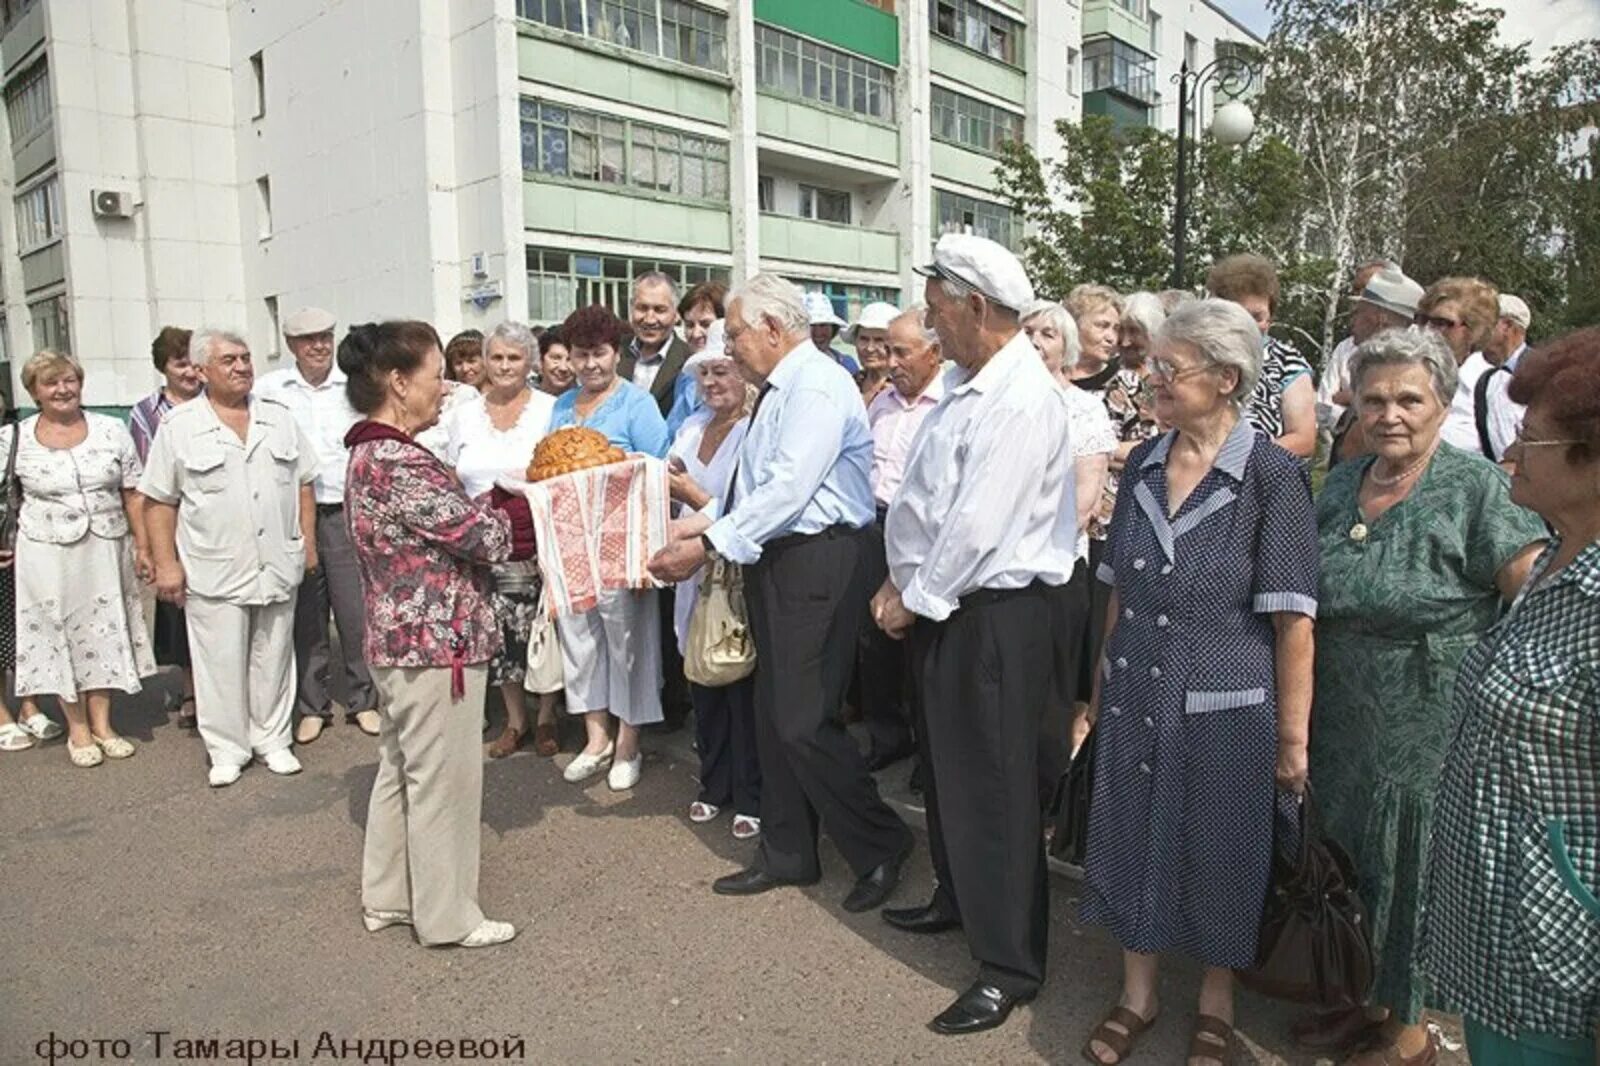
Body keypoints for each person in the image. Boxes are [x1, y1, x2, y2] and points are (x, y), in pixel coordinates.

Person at [1078, 300, 1318, 1066]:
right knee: (1127, 836)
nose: (1153, 381)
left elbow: (1294, 622)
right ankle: (1138, 993)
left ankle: (1217, 997)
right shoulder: (1145, 461)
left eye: (1168, 370)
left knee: (1223, 850)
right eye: (1153, 366)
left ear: (1225, 378)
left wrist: (1291, 741)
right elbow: (1116, 589)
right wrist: (1095, 691)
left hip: (1227, 706)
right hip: (1135, 689)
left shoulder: (1272, 476)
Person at [1300, 327, 1545, 1064]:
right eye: (1374, 399)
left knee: (1408, 865)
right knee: (1347, 858)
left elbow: (1530, 595)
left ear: (1443, 402)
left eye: (1410, 398)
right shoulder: (1344, 480)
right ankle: (1361, 999)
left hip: (1428, 711)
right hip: (1340, 709)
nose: (1390, 414)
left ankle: (1409, 1032)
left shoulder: (1476, 488)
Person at [648, 273, 913, 916]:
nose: (729, 346)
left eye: (735, 333)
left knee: (803, 718)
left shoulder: (817, 384)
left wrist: (706, 546)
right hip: (779, 557)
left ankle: (881, 841)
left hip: (820, 560)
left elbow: (791, 488)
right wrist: (701, 525)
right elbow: (756, 489)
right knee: (774, 713)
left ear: (772, 328)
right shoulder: (779, 388)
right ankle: (788, 850)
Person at [870, 238, 1073, 1036]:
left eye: (936, 308)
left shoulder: (1021, 398)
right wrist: (906, 584)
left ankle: (1010, 966)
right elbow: (929, 505)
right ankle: (960, 901)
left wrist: (912, 597)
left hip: (989, 613)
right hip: (944, 605)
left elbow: (978, 529)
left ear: (977, 307)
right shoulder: (968, 384)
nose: (929, 324)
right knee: (949, 774)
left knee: (995, 788)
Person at [1421, 327, 1600, 1066]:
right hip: (1502, 941)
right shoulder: (1555, 557)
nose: (1509, 455)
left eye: (1534, 442)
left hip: (1563, 959)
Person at [341, 319, 533, 949]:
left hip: (404, 644)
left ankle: (390, 896)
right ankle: (448, 917)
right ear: (398, 383)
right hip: (434, 647)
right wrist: (529, 500)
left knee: (402, 772)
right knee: (443, 783)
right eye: (434, 375)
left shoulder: (371, 454)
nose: (447, 389)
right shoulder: (396, 461)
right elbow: (484, 538)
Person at [140, 329, 318, 788]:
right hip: (214, 566)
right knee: (219, 662)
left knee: (274, 655)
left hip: (277, 560)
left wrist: (308, 543)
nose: (241, 366)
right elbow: (159, 501)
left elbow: (304, 482)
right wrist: (167, 564)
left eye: (245, 357)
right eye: (228, 360)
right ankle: (227, 748)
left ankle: (272, 740)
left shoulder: (277, 418)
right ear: (201, 371)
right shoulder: (178, 427)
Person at [3, 351, 155, 767]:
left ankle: (104, 724)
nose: (63, 389)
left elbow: (133, 492)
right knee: (59, 633)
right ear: (34, 391)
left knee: (103, 629)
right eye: (51, 383)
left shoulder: (111, 429)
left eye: (69, 380)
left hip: (105, 547)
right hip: (44, 551)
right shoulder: (13, 437)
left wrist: (143, 546)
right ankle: (77, 727)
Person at [548, 304, 670, 791]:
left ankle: (628, 743)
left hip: (622, 544)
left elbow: (660, 467)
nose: (590, 365)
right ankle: (594, 737)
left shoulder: (636, 403)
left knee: (628, 644)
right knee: (580, 643)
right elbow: (547, 466)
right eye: (581, 355)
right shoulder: (560, 405)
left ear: (616, 354)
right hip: (571, 543)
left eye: (599, 354)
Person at [433, 322, 559, 759]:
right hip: (481, 543)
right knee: (499, 631)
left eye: (514, 357)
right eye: (497, 357)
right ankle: (515, 720)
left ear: (530, 363)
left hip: (538, 537)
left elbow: (559, 471)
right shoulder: (463, 414)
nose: (504, 366)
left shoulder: (549, 409)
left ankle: (546, 716)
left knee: (541, 627)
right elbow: (450, 475)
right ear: (485, 361)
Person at [257, 307, 379, 743]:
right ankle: (313, 706)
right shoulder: (269, 390)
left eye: (325, 336)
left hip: (346, 511)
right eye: (308, 339)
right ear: (291, 345)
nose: (319, 346)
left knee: (355, 612)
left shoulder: (356, 385)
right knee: (307, 615)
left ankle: (364, 700)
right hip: (294, 514)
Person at [666, 322, 761, 840]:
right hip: (691, 574)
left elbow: (751, 509)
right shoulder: (690, 428)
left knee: (740, 682)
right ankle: (714, 783)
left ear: (743, 374)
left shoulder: (755, 431)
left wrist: (692, 494)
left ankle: (752, 793)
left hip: (735, 572)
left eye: (720, 370)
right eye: (703, 373)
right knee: (702, 678)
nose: (710, 382)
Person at [1021, 299, 1116, 804]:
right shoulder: (1001, 405)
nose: (1036, 343)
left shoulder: (1083, 409)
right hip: (998, 574)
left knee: (1052, 692)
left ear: (1067, 347)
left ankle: (1048, 794)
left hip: (1054, 571)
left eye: (1048, 335)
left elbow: (1083, 505)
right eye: (1028, 332)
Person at [858, 306, 945, 774]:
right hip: (872, 524)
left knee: (919, 645)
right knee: (873, 640)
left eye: (900, 351)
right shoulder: (883, 402)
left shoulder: (949, 405)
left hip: (924, 532)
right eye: (886, 350)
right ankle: (886, 736)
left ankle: (926, 752)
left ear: (934, 353)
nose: (889, 361)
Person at [129, 325, 203, 728]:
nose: (190, 371)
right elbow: (142, 487)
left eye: (194, 362)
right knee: (180, 610)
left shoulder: (222, 402)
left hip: (212, 521)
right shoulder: (146, 414)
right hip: (170, 525)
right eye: (180, 363)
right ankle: (192, 689)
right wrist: (147, 548)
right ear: (164, 368)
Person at [1206, 253, 1318, 459]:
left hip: (1262, 478)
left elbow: (1304, 439)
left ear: (1270, 318)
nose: (1247, 325)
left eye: (1257, 317)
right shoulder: (1201, 357)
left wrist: (1237, 459)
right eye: (1239, 314)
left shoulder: (1288, 363)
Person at [1326, 266, 1428, 465]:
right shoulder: (1352, 352)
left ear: (1378, 318)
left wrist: (1351, 398)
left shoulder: (1417, 363)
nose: (1353, 321)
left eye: (1359, 313)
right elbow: (1324, 406)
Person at [1419, 275, 1501, 459]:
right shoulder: (1411, 376)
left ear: (1474, 330)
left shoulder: (1493, 387)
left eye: (1442, 323)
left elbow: (1512, 465)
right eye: (1423, 320)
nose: (1428, 330)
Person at [1315, 259, 1397, 434]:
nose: (1357, 298)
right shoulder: (1345, 349)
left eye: (1365, 290)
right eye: (1355, 290)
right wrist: (1350, 421)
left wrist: (1352, 397)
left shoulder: (1412, 349)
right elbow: (1322, 407)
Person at [617, 271, 693, 417]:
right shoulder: (613, 351)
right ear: (631, 308)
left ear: (676, 314)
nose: (650, 319)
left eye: (660, 310)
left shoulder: (688, 363)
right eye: (642, 308)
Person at [1476, 294, 1533, 464]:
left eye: (1485, 325)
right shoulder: (1485, 381)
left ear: (1507, 326)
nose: (1478, 333)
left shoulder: (1540, 375)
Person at [1066, 284, 1123, 397]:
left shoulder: (1125, 383)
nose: (1111, 338)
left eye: (1116, 329)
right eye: (1102, 326)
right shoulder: (1048, 376)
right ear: (1075, 325)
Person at [846, 301, 898, 405]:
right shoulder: (849, 382)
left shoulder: (902, 388)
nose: (870, 348)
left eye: (879, 340)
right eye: (864, 339)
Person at [802, 291, 860, 374]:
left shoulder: (847, 365)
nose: (818, 332)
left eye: (823, 325)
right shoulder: (788, 366)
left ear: (833, 328)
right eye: (812, 325)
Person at [535, 329, 574, 397]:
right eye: (556, 358)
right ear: (540, 361)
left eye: (569, 359)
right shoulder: (524, 402)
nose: (563, 368)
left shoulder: (590, 403)